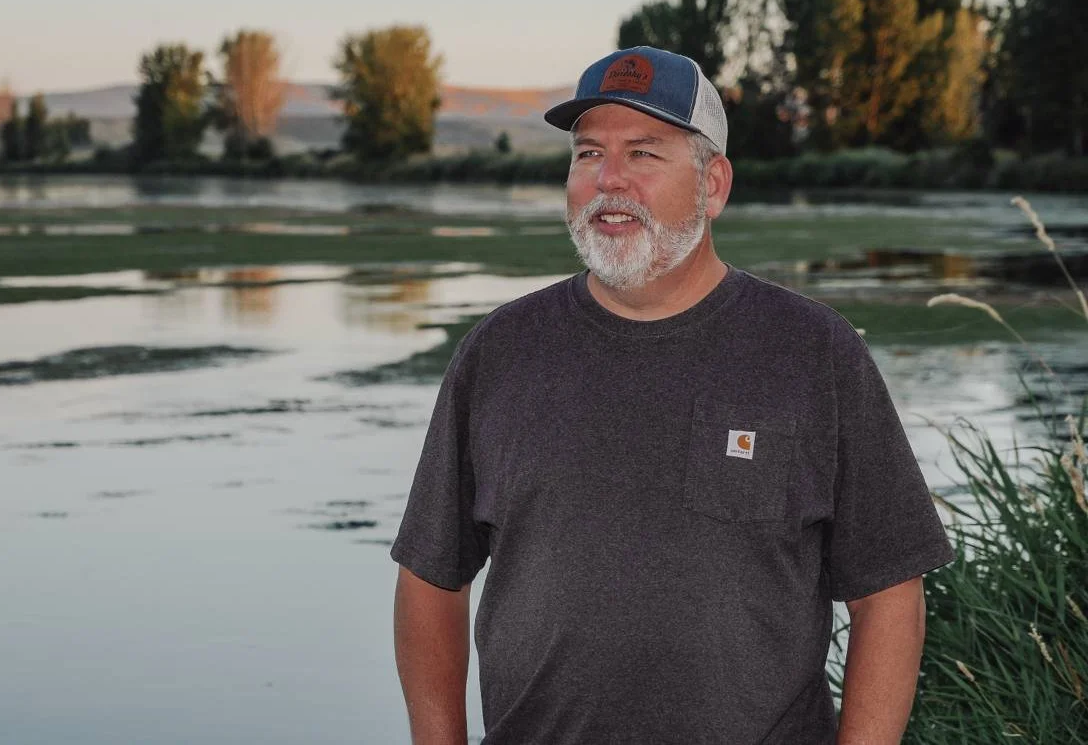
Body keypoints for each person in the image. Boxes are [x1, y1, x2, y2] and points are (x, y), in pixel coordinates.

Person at [390, 46, 954, 745]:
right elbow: (431, 579)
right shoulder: (500, 353)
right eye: (588, 153)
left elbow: (890, 594)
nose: (608, 180)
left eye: (644, 154)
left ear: (713, 184)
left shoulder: (813, 353)